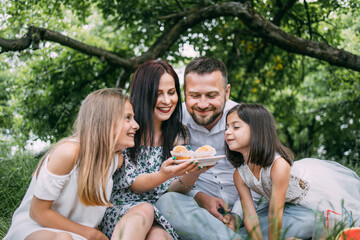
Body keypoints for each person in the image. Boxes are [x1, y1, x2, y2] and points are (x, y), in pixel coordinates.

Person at [156, 57, 316, 240]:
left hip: (254, 211)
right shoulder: (172, 121)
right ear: (184, 92)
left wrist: (237, 215)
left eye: (211, 95)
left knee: (307, 218)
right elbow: (169, 177)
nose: (202, 104)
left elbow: (264, 175)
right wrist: (199, 196)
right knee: (167, 202)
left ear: (227, 92)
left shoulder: (246, 120)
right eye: (194, 96)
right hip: (199, 213)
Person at [4, 88, 140, 240]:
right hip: (36, 228)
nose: (136, 125)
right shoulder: (69, 152)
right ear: (104, 121)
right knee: (63, 238)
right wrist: (93, 234)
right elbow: (37, 213)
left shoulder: (115, 160)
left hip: (78, 234)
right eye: (127, 118)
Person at [99, 60, 208, 240]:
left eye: (171, 92)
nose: (167, 101)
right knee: (144, 211)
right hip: (125, 211)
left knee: (159, 237)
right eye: (158, 94)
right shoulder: (128, 129)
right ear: (143, 95)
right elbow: (135, 184)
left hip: (161, 211)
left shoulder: (178, 133)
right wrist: (163, 175)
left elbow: (174, 190)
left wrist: (195, 170)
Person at [226, 103, 360, 240]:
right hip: (285, 203)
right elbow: (250, 216)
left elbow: (275, 214)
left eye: (235, 127)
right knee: (245, 234)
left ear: (257, 131)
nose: (227, 132)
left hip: (310, 202)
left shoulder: (278, 165)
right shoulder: (239, 175)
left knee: (277, 231)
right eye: (227, 127)